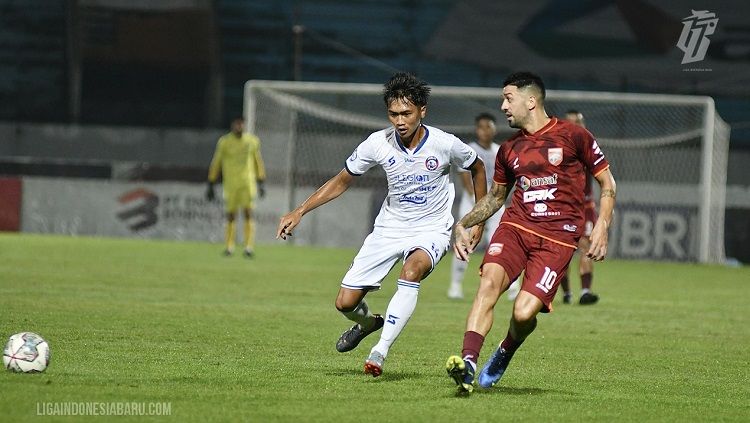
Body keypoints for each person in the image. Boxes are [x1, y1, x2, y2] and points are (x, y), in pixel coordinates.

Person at [277, 72, 488, 377]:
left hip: (431, 229)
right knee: (345, 303)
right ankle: (368, 324)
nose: (400, 121)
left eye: (407, 113)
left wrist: (478, 218)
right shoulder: (378, 143)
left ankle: (380, 351)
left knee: (412, 270)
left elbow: (477, 167)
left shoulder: (444, 143)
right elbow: (341, 180)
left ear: (422, 110)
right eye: (393, 114)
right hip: (389, 229)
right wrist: (300, 210)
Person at [445, 71, 616, 393]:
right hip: (516, 227)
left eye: (508, 98)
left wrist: (603, 226)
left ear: (531, 100)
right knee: (488, 286)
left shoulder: (573, 136)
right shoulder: (509, 149)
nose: (503, 106)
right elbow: (497, 197)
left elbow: (607, 183)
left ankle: (506, 349)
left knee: (523, 314)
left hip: (557, 238)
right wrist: (466, 222)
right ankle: (468, 364)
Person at [448, 113, 520, 301]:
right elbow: (465, 179)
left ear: (495, 129)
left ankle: (512, 286)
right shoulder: (469, 149)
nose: (485, 131)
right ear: (476, 129)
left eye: (489, 126)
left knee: (502, 242)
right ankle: (455, 285)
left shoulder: (500, 150)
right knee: (464, 242)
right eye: (481, 127)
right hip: (473, 203)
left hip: (495, 204)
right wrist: (480, 206)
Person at [207, 117, 266, 257]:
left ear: (244, 125)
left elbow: (258, 161)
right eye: (236, 123)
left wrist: (261, 181)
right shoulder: (224, 142)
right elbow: (217, 162)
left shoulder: (252, 141)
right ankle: (229, 247)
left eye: (241, 123)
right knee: (231, 215)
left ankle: (248, 247)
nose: (239, 126)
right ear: (232, 125)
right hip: (231, 184)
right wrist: (211, 182)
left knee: (248, 213)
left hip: (248, 183)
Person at [559, 110, 600, 305]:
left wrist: (609, 206)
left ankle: (585, 292)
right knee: (562, 251)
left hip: (585, 206)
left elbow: (603, 177)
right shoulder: (555, 148)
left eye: (578, 123)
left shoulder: (589, 148)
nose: (575, 126)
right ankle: (566, 293)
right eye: (570, 123)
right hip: (562, 206)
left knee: (585, 246)